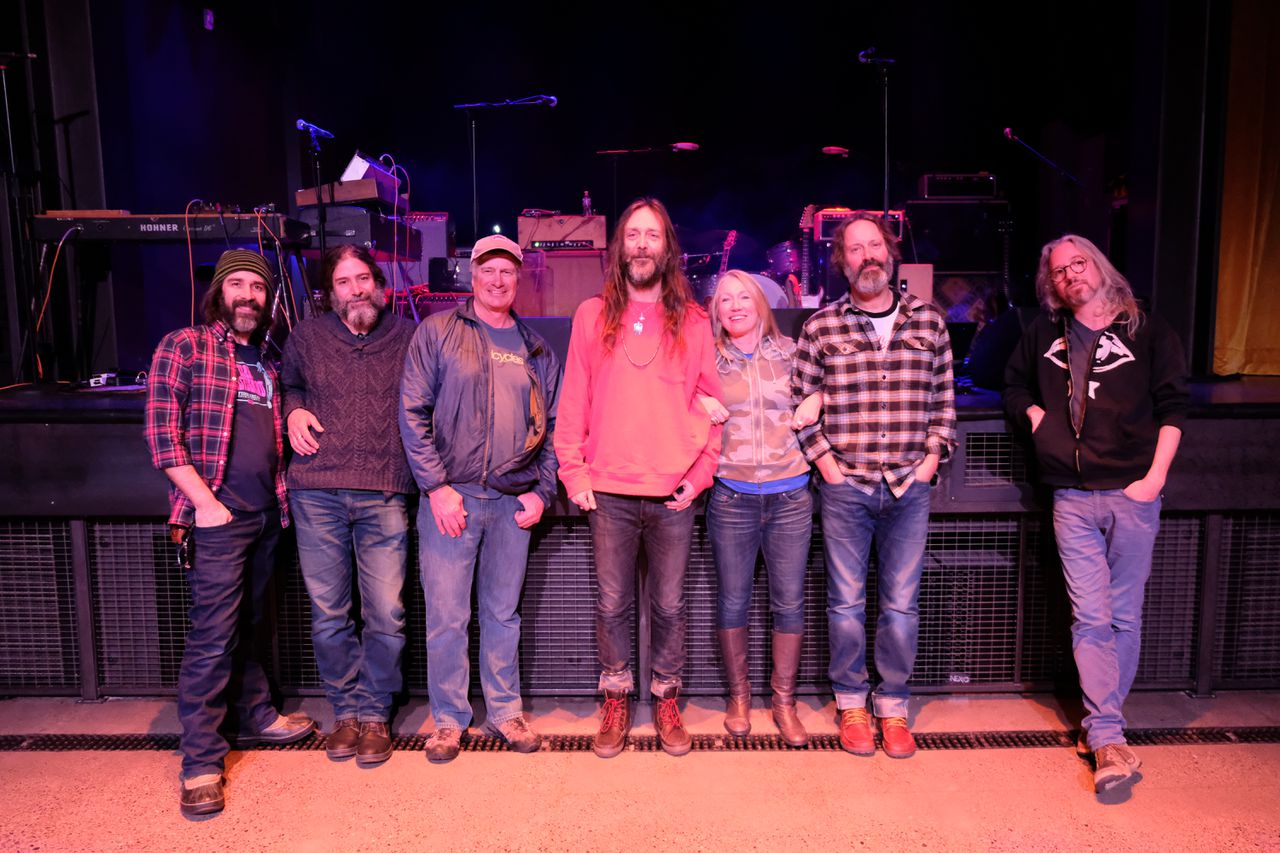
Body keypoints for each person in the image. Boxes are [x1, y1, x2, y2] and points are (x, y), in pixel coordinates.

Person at [1004, 233, 1188, 794]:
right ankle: (1108, 736)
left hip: (1133, 493)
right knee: (1090, 617)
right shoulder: (1044, 332)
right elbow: (1011, 385)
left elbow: (1174, 407)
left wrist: (1154, 480)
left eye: (1078, 264)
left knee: (1124, 617)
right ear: (1052, 284)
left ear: (1099, 266)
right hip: (1072, 496)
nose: (1070, 276)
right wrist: (1038, 417)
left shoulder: (1146, 328)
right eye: (1059, 272)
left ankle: (1104, 729)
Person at [145, 249, 314, 817]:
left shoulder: (268, 359)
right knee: (214, 638)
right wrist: (205, 505)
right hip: (217, 516)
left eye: (258, 288)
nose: (248, 296)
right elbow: (162, 435)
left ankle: (257, 714)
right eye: (237, 284)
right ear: (219, 292)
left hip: (267, 514)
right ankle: (200, 763)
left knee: (252, 626)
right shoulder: (186, 345)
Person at [554, 197, 722, 758]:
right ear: (620, 247)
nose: (643, 244)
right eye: (634, 234)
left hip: (673, 493)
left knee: (670, 606)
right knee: (611, 605)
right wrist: (573, 471)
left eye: (653, 235)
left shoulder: (694, 321)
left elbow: (714, 408)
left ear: (667, 247)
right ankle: (616, 697)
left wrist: (700, 475)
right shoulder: (591, 315)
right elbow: (573, 400)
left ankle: (667, 698)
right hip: (608, 490)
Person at [793, 212, 956, 759]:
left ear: (890, 252)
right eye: (855, 248)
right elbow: (800, 403)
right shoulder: (821, 327)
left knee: (901, 608)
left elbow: (944, 402)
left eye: (874, 245)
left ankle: (893, 706)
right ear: (842, 261)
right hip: (847, 485)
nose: (867, 256)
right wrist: (828, 467)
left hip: (910, 485)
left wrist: (930, 461)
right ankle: (851, 703)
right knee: (845, 604)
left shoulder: (929, 321)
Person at [400, 234, 560, 763]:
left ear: (519, 279)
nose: (497, 279)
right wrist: (436, 487)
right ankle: (449, 719)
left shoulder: (536, 347)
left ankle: (505, 712)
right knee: (448, 617)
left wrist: (542, 491)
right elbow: (412, 413)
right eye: (488, 269)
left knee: (502, 614)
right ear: (472, 275)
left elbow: (555, 427)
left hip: (512, 503)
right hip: (453, 500)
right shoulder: (438, 331)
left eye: (507, 271)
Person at [282, 244, 416, 766]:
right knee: (329, 614)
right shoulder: (306, 337)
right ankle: (346, 711)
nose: (356, 289)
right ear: (330, 292)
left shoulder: (409, 336)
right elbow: (288, 385)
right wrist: (293, 410)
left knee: (386, 613)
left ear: (380, 285)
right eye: (344, 281)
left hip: (384, 489)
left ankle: (375, 711)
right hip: (316, 491)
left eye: (363, 279)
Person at [699, 270, 822, 746]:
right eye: (725, 299)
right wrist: (698, 398)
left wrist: (819, 397)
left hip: (790, 494)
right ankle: (739, 698)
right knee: (733, 599)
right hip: (732, 495)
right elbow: (672, 392)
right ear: (716, 310)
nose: (734, 306)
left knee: (788, 601)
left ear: (760, 303)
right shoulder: (707, 358)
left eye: (743, 297)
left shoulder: (792, 352)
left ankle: (784, 702)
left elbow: (837, 383)